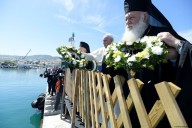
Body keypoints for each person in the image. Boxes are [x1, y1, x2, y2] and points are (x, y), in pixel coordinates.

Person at [121, 0, 192, 126]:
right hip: (134, 103)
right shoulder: (129, 41)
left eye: (131, 17)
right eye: (126, 19)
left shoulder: (163, 33)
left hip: (160, 104)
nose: (128, 22)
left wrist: (175, 54)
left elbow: (186, 55)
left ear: (145, 16)